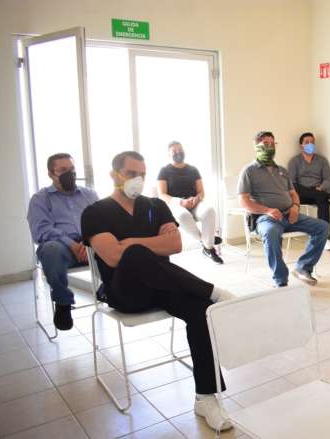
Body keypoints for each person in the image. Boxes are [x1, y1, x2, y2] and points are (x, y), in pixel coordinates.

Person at [81, 151, 233, 431]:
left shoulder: (155, 205)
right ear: (114, 175)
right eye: (131, 174)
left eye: (142, 174)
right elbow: (113, 257)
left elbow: (175, 245)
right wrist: (141, 246)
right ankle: (213, 292)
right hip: (125, 293)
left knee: (200, 312)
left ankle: (206, 397)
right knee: (134, 254)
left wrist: (129, 242)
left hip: (163, 286)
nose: (138, 179)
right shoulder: (95, 213)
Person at [238, 131, 329, 287]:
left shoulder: (282, 171)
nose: (270, 147)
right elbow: (243, 201)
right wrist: (267, 211)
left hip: (290, 215)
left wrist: (295, 207)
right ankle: (280, 280)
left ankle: (303, 268)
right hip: (266, 218)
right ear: (256, 146)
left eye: (272, 144)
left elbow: (294, 194)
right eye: (265, 144)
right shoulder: (249, 171)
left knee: (322, 227)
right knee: (271, 232)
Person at [27, 153, 98, 330]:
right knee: (50, 249)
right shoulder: (40, 199)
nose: (70, 173)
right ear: (51, 174)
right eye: (63, 170)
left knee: (119, 241)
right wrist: (72, 244)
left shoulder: (89, 195)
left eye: (72, 169)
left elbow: (102, 221)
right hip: (62, 250)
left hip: (91, 245)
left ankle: (113, 291)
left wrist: (88, 243)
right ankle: (63, 303)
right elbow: (42, 231)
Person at [157, 141, 223, 264]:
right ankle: (208, 245)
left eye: (180, 150)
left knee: (209, 211)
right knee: (183, 215)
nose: (178, 153)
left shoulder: (193, 169)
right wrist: (181, 202)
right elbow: (162, 194)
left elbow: (201, 192)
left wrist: (196, 198)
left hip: (194, 203)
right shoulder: (164, 171)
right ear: (168, 154)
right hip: (175, 204)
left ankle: (207, 245)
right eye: (174, 151)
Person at [287, 132, 330, 251]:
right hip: (300, 194)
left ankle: (325, 239)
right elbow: (291, 183)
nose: (310, 144)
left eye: (312, 142)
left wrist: (321, 188)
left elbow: (328, 180)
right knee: (296, 186)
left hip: (317, 192)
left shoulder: (322, 161)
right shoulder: (294, 161)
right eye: (307, 142)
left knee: (323, 200)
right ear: (301, 145)